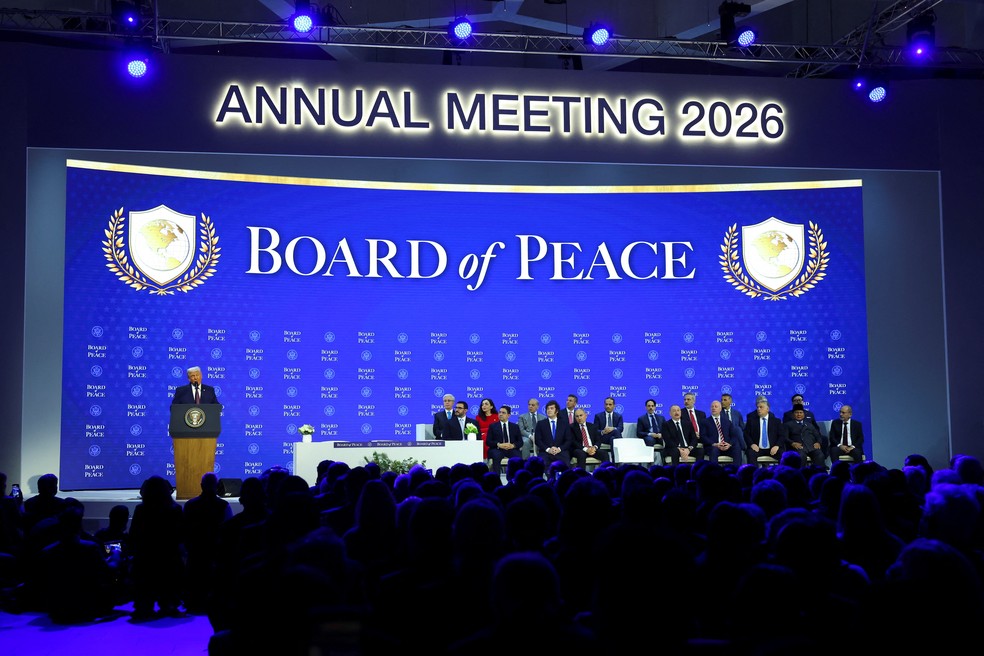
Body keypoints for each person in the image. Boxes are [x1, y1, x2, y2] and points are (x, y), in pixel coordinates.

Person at [701, 400, 744, 464]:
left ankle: (736, 471)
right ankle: (715, 472)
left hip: (726, 446)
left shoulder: (727, 421)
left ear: (720, 409)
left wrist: (729, 444)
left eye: (716, 406)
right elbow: (703, 436)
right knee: (714, 450)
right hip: (714, 446)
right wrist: (715, 444)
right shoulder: (705, 422)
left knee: (737, 448)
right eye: (712, 407)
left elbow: (734, 436)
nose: (713, 408)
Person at [744, 398, 785, 464]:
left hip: (772, 448)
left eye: (761, 407)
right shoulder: (752, 421)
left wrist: (777, 446)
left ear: (767, 409)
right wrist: (752, 444)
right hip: (757, 448)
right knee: (750, 454)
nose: (758, 409)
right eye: (757, 407)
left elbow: (782, 435)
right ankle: (754, 473)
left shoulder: (776, 421)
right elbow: (746, 434)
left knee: (782, 454)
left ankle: (780, 473)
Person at [486, 405, 523, 475]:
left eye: (503, 413)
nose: (500, 414)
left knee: (517, 457)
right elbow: (488, 441)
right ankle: (496, 479)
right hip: (497, 449)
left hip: (511, 449)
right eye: (499, 412)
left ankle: (516, 478)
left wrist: (513, 445)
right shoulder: (493, 426)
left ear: (508, 415)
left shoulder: (515, 427)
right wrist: (499, 445)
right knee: (496, 455)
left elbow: (520, 442)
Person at [535, 400, 572, 467]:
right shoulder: (540, 424)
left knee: (566, 464)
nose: (549, 410)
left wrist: (559, 449)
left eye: (552, 408)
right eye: (548, 409)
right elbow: (538, 440)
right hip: (545, 452)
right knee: (542, 463)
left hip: (561, 451)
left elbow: (568, 440)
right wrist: (548, 449)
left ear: (557, 411)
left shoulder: (564, 424)